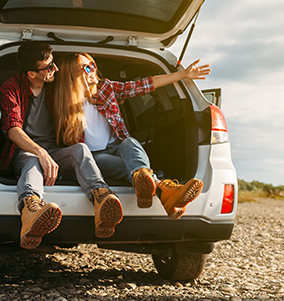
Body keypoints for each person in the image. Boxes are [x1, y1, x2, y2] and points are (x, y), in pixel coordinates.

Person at [54, 53, 211, 219]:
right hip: (92, 158)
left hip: (117, 146)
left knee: (130, 142)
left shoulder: (105, 89)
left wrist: (182, 74)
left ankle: (146, 181)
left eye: (93, 65)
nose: (93, 70)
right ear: (71, 73)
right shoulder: (61, 102)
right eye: (87, 67)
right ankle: (163, 190)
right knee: (128, 166)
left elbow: (142, 85)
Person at [0, 42, 123, 249]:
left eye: (53, 63)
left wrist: (87, 69)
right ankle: (31, 211)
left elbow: (81, 84)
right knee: (32, 163)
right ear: (31, 74)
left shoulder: (55, 85)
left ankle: (101, 199)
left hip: (56, 149)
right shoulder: (11, 87)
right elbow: (13, 129)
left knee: (80, 150)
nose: (54, 69)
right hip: (25, 151)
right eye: (48, 67)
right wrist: (41, 152)